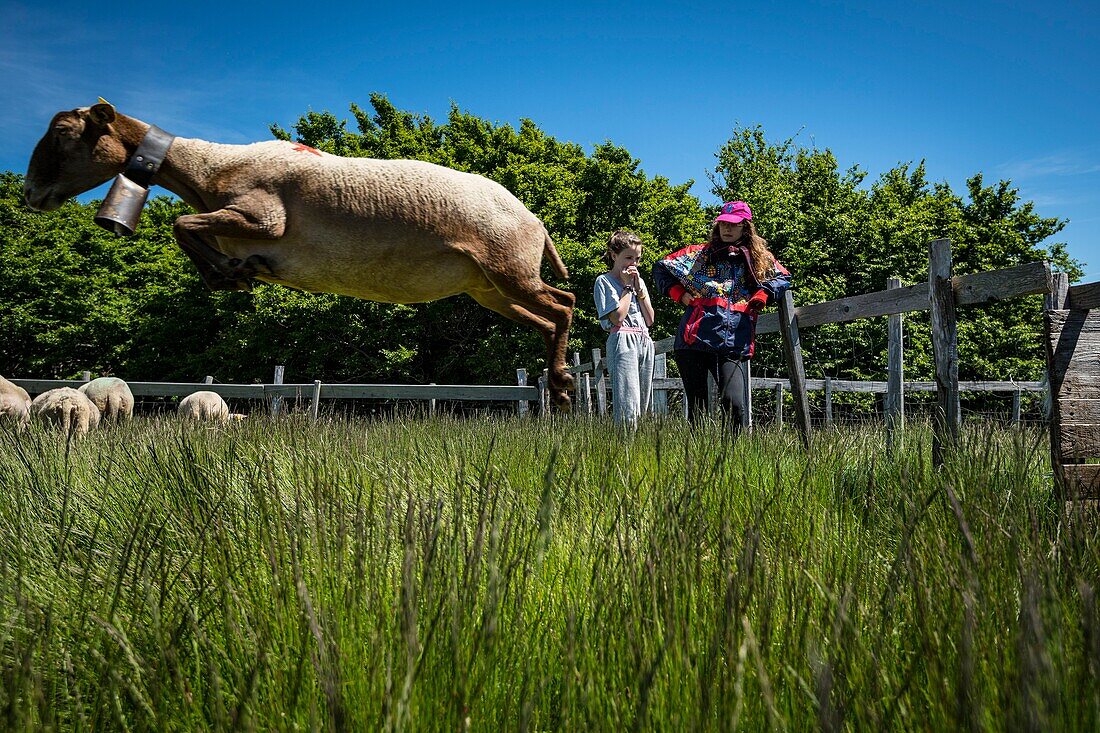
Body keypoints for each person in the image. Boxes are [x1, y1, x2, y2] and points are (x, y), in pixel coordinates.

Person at [651, 201, 791, 428]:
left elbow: (784, 277)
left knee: (735, 405)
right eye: (723, 224)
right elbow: (661, 266)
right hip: (693, 339)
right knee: (697, 408)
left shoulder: (760, 260)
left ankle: (731, 458)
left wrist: (764, 294)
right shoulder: (698, 254)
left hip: (734, 339)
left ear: (746, 227)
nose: (727, 229)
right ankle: (697, 459)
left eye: (733, 225)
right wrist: (680, 294)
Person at [593, 230, 656, 428]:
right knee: (628, 405)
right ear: (614, 255)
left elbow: (650, 319)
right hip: (623, 340)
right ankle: (625, 450)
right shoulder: (604, 281)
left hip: (644, 340)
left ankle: (636, 448)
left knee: (643, 405)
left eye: (637, 258)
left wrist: (639, 289)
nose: (633, 263)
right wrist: (627, 288)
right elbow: (617, 318)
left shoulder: (639, 282)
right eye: (628, 257)